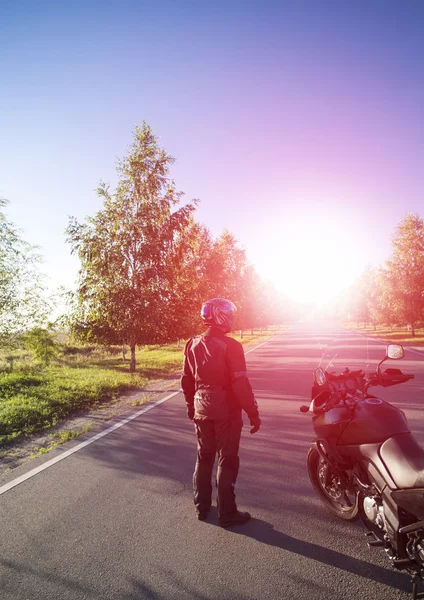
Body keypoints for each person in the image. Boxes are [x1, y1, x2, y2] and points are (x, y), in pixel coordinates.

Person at [181, 298, 261, 528]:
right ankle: (227, 513)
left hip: (200, 408)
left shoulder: (191, 344)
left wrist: (190, 406)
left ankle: (201, 506)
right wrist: (253, 412)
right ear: (221, 316)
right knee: (227, 459)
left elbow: (186, 380)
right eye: (229, 314)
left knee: (204, 456)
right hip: (226, 411)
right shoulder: (232, 346)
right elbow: (240, 384)